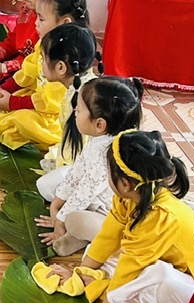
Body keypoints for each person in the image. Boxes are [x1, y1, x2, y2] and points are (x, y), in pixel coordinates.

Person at [49, 130, 194, 303]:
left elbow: (130, 268)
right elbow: (108, 237)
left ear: (125, 184)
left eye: (108, 171)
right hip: (153, 259)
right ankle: (103, 287)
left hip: (191, 283)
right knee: (99, 252)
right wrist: (79, 274)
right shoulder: (129, 197)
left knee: (153, 278)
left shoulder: (159, 216)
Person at [37, 77, 145, 257]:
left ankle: (84, 237)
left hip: (110, 212)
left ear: (99, 124)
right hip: (94, 201)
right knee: (46, 186)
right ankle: (80, 236)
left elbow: (86, 191)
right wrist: (56, 204)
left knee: (75, 219)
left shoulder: (109, 151)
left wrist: (61, 220)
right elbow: (77, 172)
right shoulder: (99, 139)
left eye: (79, 110)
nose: (75, 112)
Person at [0, 24, 98, 155]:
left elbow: (48, 106)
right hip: (46, 109)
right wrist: (4, 90)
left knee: (20, 120)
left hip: (54, 123)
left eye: (43, 59)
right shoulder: (66, 74)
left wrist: (11, 103)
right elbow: (27, 75)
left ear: (60, 68)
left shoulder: (75, 96)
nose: (40, 63)